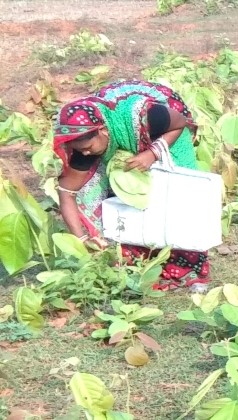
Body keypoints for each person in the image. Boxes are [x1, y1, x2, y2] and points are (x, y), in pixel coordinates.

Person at [50, 80, 211, 292]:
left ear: (102, 131)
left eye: (88, 148)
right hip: (128, 135)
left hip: (168, 131)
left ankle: (189, 272)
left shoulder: (144, 115)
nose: (85, 153)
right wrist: (81, 239)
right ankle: (142, 262)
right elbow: (67, 192)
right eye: (80, 150)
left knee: (177, 200)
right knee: (122, 200)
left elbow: (180, 122)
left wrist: (153, 153)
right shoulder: (84, 146)